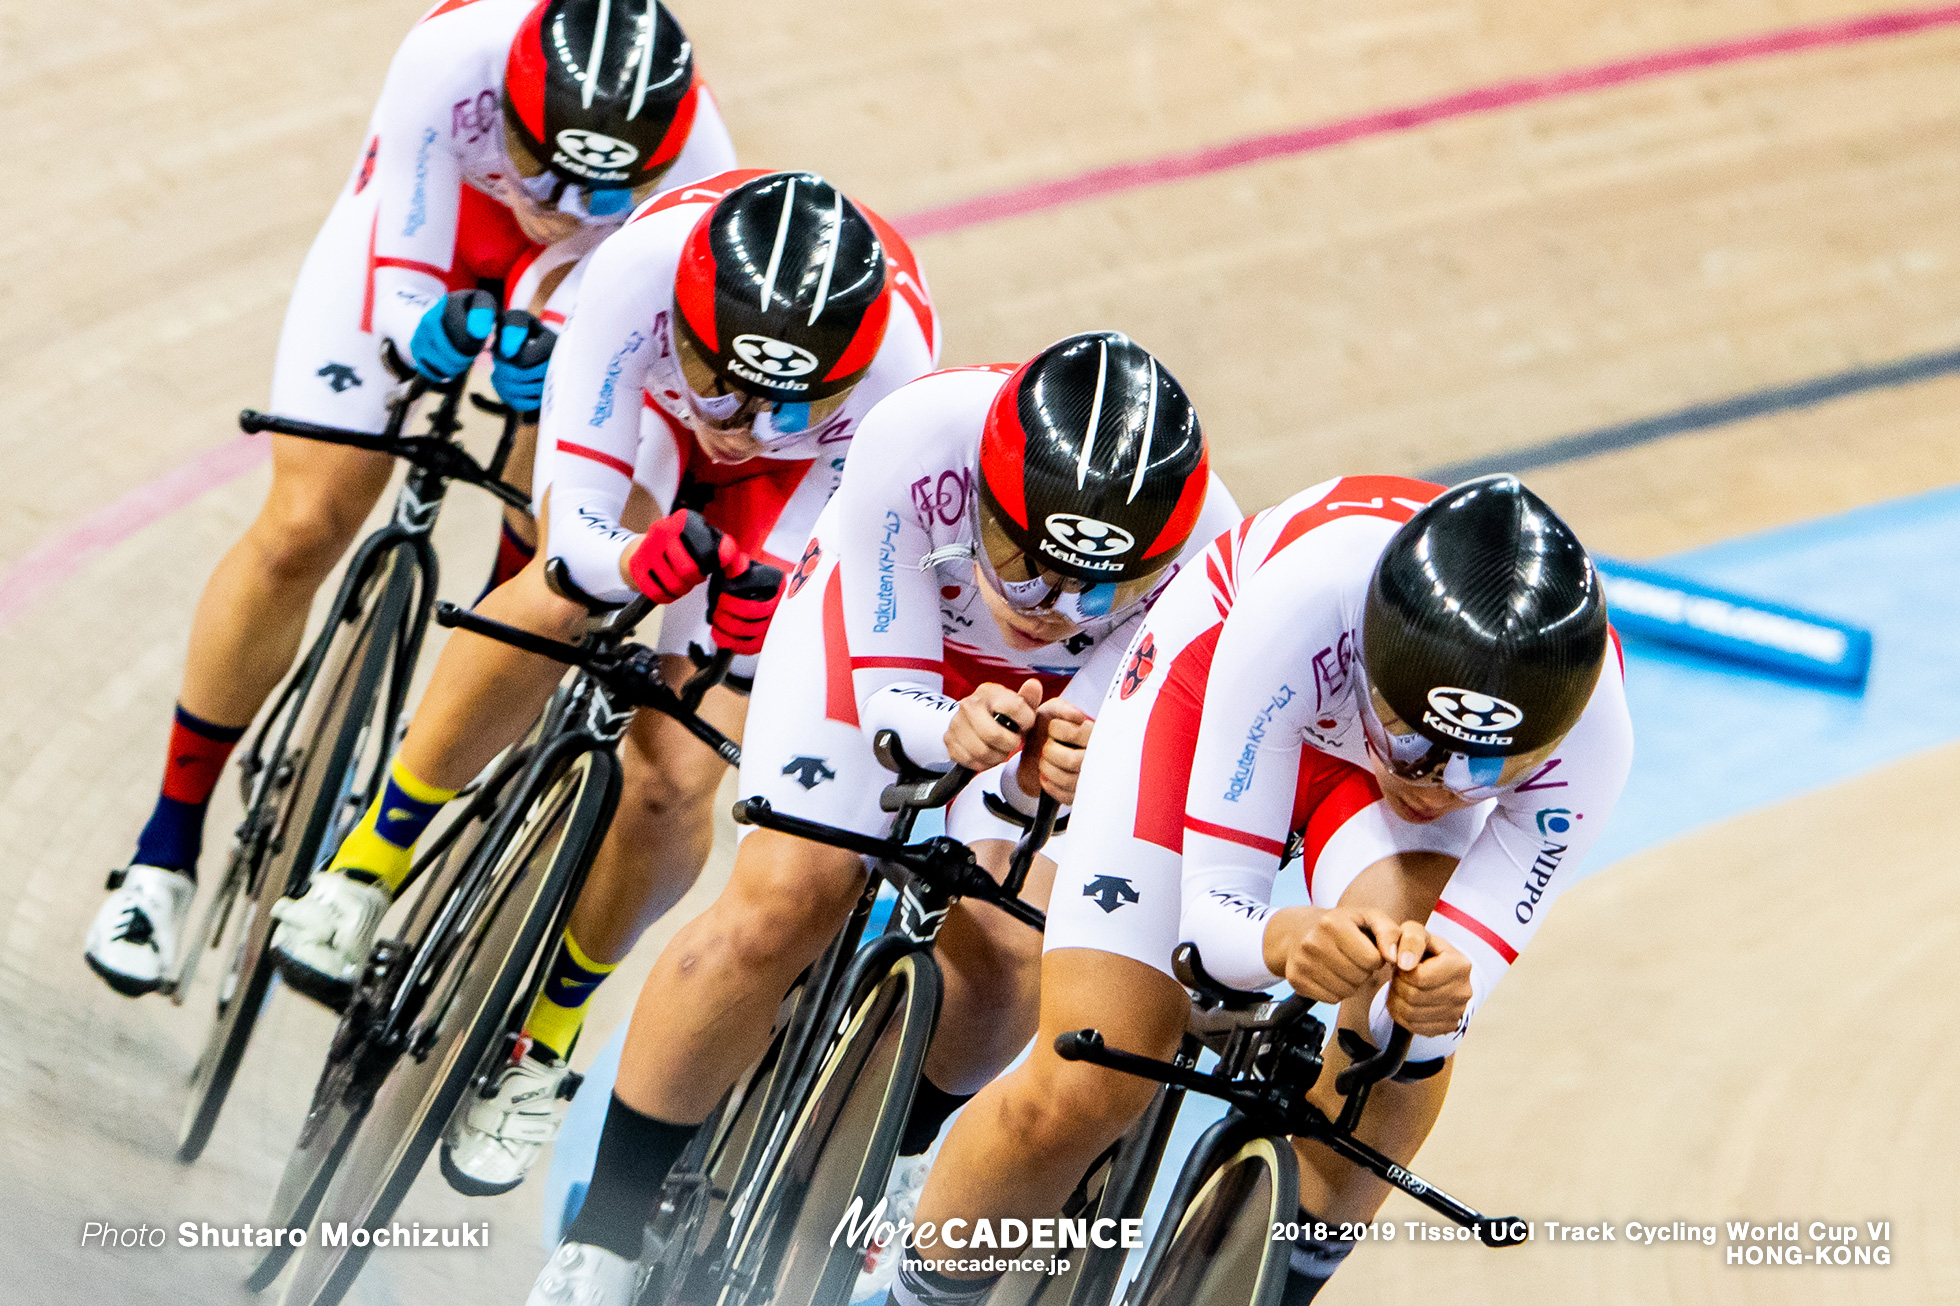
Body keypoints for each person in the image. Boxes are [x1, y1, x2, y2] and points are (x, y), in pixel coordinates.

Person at [528, 332, 1243, 1304]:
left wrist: (1058, 760)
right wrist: (952, 726)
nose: (1051, 603)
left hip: (1049, 701)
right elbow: (887, 685)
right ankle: (603, 1237)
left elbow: (1122, 740)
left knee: (1006, 944)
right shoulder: (919, 432)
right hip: (875, 646)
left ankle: (900, 1143)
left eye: (1095, 587)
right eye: (1021, 562)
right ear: (984, 497)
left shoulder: (1212, 554)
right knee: (781, 901)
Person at [268, 169, 940, 1197]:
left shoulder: (896, 380)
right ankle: (367, 861)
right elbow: (578, 515)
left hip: (796, 494)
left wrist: (749, 618)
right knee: (558, 593)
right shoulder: (634, 277)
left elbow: (817, 561)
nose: (748, 422)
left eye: (787, 399)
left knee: (676, 769)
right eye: (726, 379)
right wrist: (630, 563)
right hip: (644, 422)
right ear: (687, 324)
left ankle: (548, 1031)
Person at [83, 0, 737, 997]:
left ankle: (430, 740)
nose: (558, 200)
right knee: (305, 524)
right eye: (542, 163)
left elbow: (619, 368)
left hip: (592, 289)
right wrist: (421, 330)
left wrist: (550, 396)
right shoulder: (451, 57)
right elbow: (400, 265)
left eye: (597, 182)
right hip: (429, 235)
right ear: (508, 108)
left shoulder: (698, 175)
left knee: (552, 550)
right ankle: (163, 855)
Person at [891, 473, 1633, 1306]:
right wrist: (1280, 938)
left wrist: (1438, 997)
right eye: (1414, 737)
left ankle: (1274, 1275)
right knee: (1089, 1078)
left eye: (1489, 765)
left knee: (1401, 1032)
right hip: (1218, 693)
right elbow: (1213, 924)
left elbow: (1449, 988)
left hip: (1355, 778)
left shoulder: (1594, 740)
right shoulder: (1305, 603)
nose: (1438, 783)